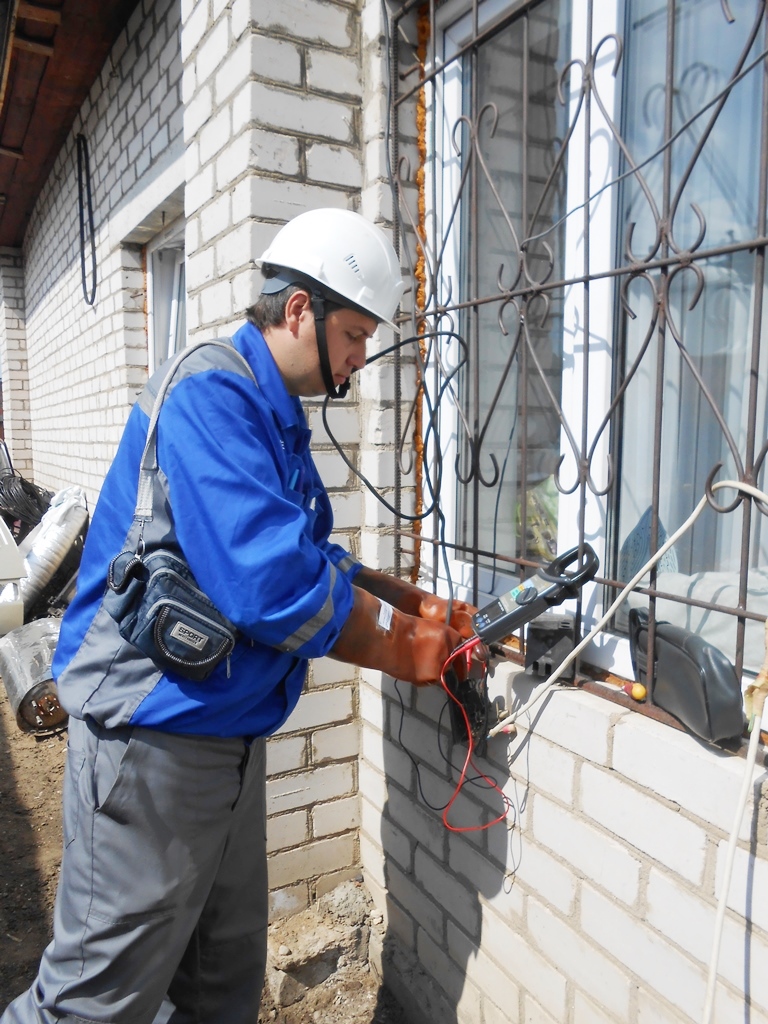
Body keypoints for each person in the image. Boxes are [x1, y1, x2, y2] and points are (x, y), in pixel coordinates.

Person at [1, 208, 476, 1023]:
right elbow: (271, 582)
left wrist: (407, 599)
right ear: (301, 311)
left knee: (219, 979)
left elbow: (309, 549)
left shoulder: (270, 410)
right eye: (356, 335)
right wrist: (409, 651)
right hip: (149, 737)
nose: (363, 358)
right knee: (94, 998)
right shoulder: (211, 393)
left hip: (225, 736)